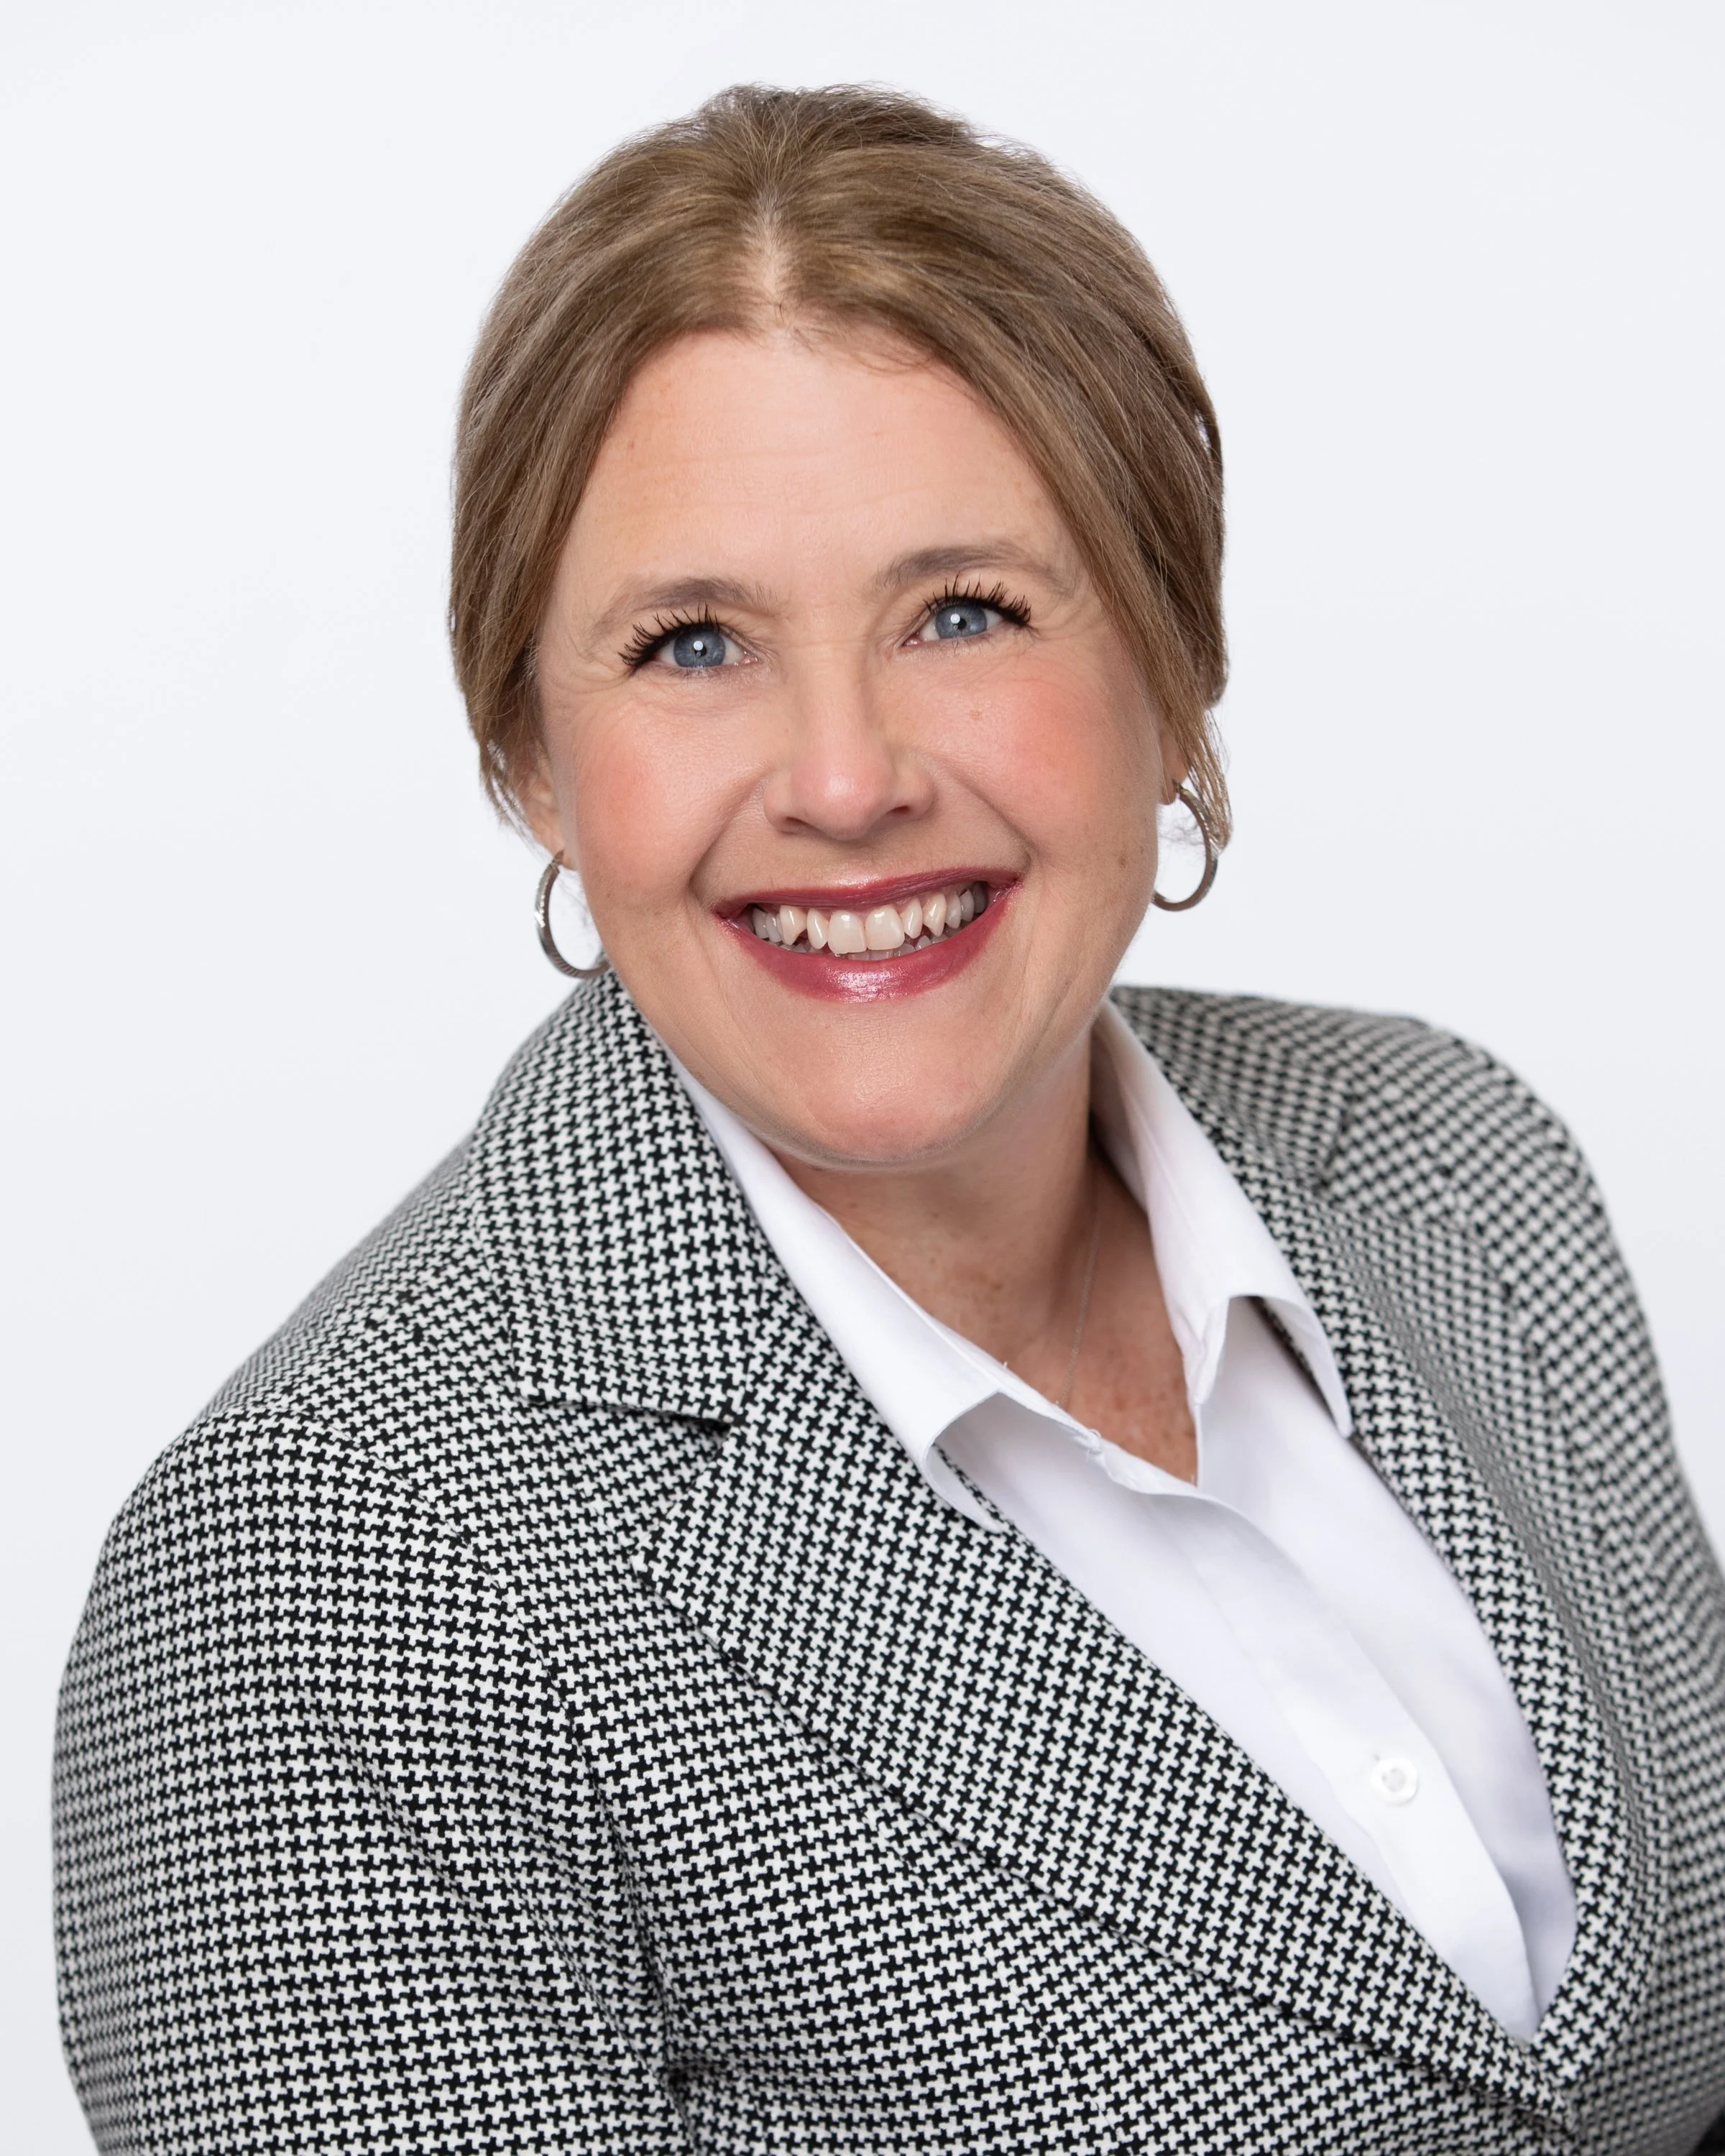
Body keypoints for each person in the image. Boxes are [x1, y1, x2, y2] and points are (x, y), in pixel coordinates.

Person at [53, 83, 1725, 2155]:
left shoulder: (1454, 1159)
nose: (845, 779)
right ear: (536, 767)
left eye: (964, 613)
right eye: (692, 646)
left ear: (1175, 664)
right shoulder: (322, 1591)